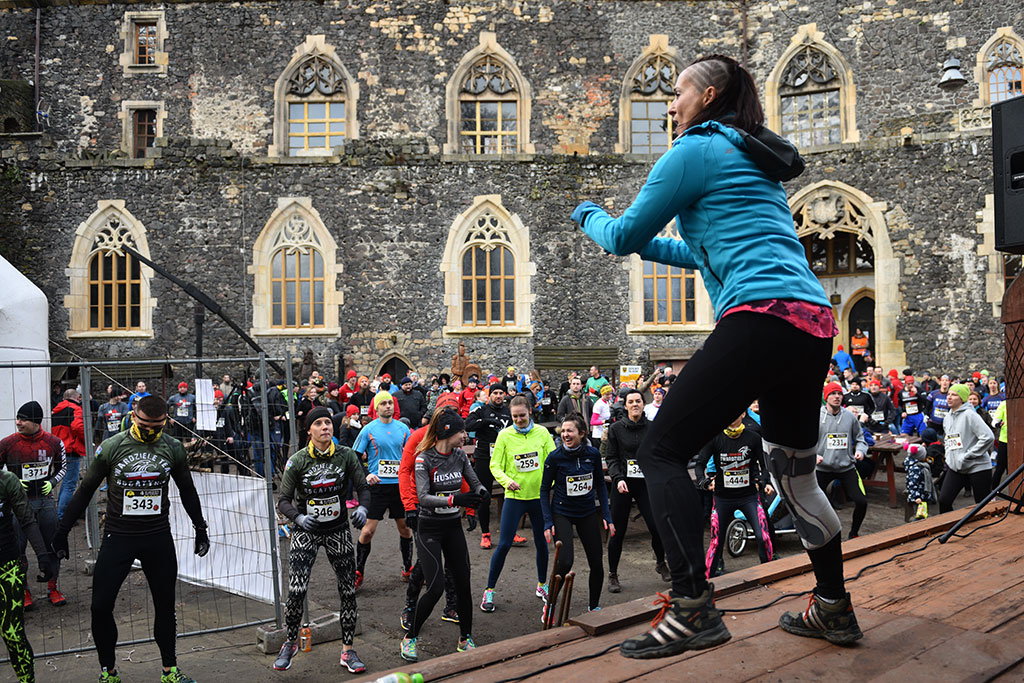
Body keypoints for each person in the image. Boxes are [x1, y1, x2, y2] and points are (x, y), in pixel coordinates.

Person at [572, 54, 861, 657]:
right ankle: (833, 607)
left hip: (758, 317)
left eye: (677, 93)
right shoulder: (750, 161)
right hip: (811, 325)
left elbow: (621, 236)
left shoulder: (693, 151)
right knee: (793, 472)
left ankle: (692, 608)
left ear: (707, 97)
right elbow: (700, 252)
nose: (669, 104)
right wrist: (649, 242)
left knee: (660, 450)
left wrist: (590, 216)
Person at [51, 395, 209, 683]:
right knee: (100, 606)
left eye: (158, 426)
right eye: (146, 425)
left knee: (165, 605)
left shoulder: (172, 447)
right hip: (119, 535)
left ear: (166, 421)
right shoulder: (112, 446)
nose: (151, 431)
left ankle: (169, 671)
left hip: (157, 536)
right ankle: (109, 672)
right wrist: (61, 533)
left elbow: (187, 489)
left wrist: (201, 527)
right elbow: (85, 491)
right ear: (134, 415)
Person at [273, 407, 369, 674]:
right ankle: (290, 643)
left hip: (338, 530)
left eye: (328, 422)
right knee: (297, 589)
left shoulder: (346, 455)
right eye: (319, 423)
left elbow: (363, 487)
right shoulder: (298, 460)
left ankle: (348, 650)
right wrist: (299, 519)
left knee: (347, 590)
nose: (326, 426)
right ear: (310, 430)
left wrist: (362, 508)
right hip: (307, 531)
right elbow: (283, 500)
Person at [400, 411, 486, 661]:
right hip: (429, 528)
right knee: (436, 586)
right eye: (462, 432)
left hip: (452, 527)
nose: (465, 436)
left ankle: (465, 638)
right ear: (449, 432)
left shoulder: (459, 455)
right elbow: (424, 497)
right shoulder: (424, 459)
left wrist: (480, 494)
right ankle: (410, 638)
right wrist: (454, 498)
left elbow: (474, 481)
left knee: (463, 583)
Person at [481, 395, 555, 613]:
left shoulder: (542, 433)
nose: (519, 420)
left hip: (538, 497)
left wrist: (549, 483)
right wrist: (506, 481)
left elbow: (552, 459)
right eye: (515, 417)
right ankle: (489, 590)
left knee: (542, 544)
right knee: (504, 544)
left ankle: (542, 585)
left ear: (530, 411)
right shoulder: (504, 435)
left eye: (522, 415)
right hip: (514, 497)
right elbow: (495, 466)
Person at [539, 413, 613, 618]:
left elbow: (600, 483)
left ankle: (593, 606)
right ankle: (551, 604)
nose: (565, 434)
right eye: (562, 431)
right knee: (565, 562)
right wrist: (547, 521)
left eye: (569, 430)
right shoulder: (555, 457)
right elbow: (544, 490)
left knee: (597, 562)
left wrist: (607, 515)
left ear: (582, 433)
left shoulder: (593, 454)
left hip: (587, 512)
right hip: (562, 512)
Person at [0, 401, 66, 609]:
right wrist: (10, 481)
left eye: (23, 419)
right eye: (17, 418)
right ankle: (24, 591)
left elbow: (63, 467)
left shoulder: (54, 442)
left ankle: (53, 587)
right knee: (18, 549)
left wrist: (52, 482)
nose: (18, 422)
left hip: (45, 502)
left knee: (52, 545)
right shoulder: (7, 443)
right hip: (18, 504)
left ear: (35, 421)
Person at [604, 389, 669, 591]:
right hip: (622, 484)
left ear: (643, 404)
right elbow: (611, 458)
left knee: (657, 525)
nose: (635, 404)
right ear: (625, 406)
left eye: (638, 401)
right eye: (631, 401)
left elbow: (658, 455)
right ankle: (613, 574)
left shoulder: (652, 428)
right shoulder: (616, 429)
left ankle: (660, 562)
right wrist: (618, 478)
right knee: (618, 531)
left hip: (645, 484)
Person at [697, 413, 773, 577]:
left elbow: (765, 465)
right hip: (722, 498)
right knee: (717, 541)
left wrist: (762, 481)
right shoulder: (715, 438)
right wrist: (705, 482)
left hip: (749, 497)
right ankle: (709, 579)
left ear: (743, 414)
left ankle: (768, 574)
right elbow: (699, 464)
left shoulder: (753, 437)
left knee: (763, 537)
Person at [0, 463, 56, 683]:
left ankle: (26, 680)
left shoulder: (7, 480)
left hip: (7, 565)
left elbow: (27, 519)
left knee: (12, 632)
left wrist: (43, 555)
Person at [351, 391, 413, 588]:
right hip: (377, 487)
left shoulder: (403, 429)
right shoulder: (368, 429)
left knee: (405, 529)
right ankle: (358, 570)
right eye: (383, 404)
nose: (388, 406)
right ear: (376, 408)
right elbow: (354, 457)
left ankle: (407, 568)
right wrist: (367, 473)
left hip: (399, 486)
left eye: (390, 403)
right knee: (368, 531)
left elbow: (412, 454)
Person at [817, 382, 869, 539]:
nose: (837, 397)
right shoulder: (817, 417)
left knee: (861, 501)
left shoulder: (849, 417)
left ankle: (854, 533)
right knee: (816, 505)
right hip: (822, 469)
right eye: (833, 394)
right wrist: (813, 455)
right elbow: (805, 441)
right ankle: (822, 536)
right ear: (826, 397)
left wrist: (860, 451)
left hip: (846, 467)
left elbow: (860, 439)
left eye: (839, 394)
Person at [465, 384, 513, 549]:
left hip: (505, 458)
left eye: (501, 393)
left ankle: (510, 532)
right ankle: (485, 533)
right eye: (495, 393)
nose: (498, 396)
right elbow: (467, 425)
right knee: (484, 495)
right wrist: (486, 422)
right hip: (485, 457)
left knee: (512, 495)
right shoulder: (481, 410)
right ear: (489, 394)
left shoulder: (509, 411)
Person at [937, 383, 994, 513]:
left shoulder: (970, 415)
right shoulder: (947, 417)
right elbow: (949, 439)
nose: (949, 397)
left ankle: (984, 532)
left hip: (978, 466)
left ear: (962, 398)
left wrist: (969, 455)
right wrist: (949, 458)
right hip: (956, 466)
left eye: (954, 395)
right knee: (944, 500)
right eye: (949, 394)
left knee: (981, 507)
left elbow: (988, 437)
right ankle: (950, 531)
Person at [51, 388, 85, 520]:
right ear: (77, 398)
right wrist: (86, 440)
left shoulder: (55, 410)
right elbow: (78, 427)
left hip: (58, 450)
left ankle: (59, 512)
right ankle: (62, 516)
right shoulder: (76, 409)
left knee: (64, 483)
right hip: (71, 449)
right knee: (69, 484)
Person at [903, 443, 936, 520]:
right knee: (919, 514)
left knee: (923, 512)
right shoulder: (916, 468)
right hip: (919, 496)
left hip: (922, 493)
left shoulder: (919, 465)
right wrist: (916, 497)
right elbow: (912, 483)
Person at [991, 400, 1009, 490]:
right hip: (1005, 440)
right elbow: (994, 422)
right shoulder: (1003, 404)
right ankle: (993, 491)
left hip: (1020, 440)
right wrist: (998, 424)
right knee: (1000, 467)